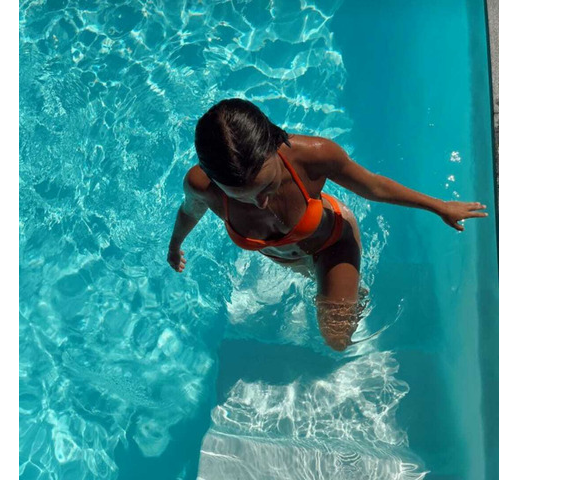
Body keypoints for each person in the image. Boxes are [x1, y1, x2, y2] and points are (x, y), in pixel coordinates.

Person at [167, 98, 488, 351]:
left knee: (337, 339)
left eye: (267, 187)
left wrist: (440, 207)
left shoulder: (314, 156)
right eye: (243, 196)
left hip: (331, 242)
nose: (261, 202)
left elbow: (373, 187)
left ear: (274, 145)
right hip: (290, 258)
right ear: (213, 181)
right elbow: (188, 213)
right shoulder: (201, 187)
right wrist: (175, 245)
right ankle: (334, 285)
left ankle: (348, 283)